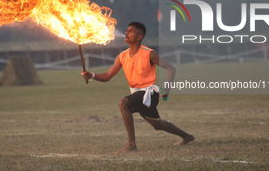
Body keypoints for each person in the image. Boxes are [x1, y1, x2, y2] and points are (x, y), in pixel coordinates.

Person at [82, 21, 195, 153]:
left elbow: (171, 68)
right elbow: (108, 75)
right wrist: (92, 75)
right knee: (158, 125)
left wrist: (167, 88)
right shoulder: (122, 56)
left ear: (139, 37)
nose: (126, 33)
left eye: (130, 31)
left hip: (150, 94)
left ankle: (131, 145)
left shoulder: (149, 53)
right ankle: (187, 136)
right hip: (138, 95)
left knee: (123, 103)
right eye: (127, 30)